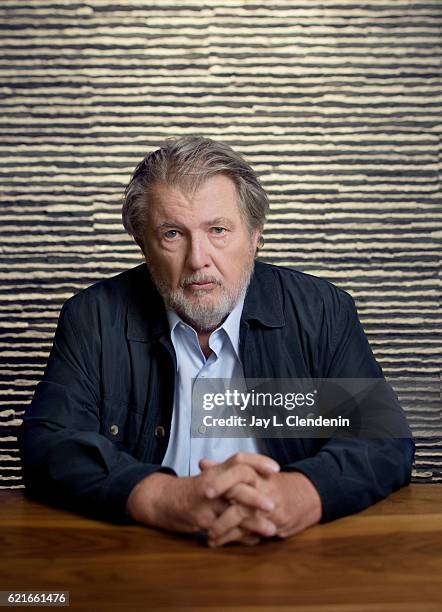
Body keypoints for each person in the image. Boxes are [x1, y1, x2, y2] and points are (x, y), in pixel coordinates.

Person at [19, 136, 414, 548]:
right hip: (145, 553)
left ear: (255, 235)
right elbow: (48, 443)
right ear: (143, 243)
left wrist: (303, 492)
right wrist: (161, 496)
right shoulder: (93, 318)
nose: (198, 259)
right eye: (172, 233)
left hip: (290, 553)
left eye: (219, 230)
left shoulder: (321, 312)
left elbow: (384, 440)